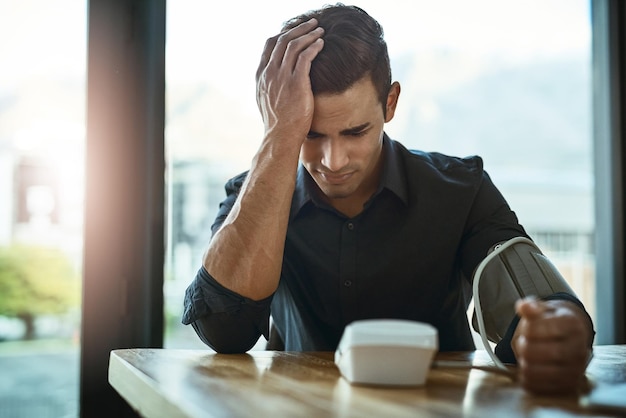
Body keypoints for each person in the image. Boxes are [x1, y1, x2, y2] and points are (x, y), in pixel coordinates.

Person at [182, 3, 594, 395]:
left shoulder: (461, 189)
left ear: (391, 103)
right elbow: (222, 329)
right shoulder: (250, 194)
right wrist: (280, 135)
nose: (333, 160)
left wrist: (559, 329)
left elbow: (537, 299)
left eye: (355, 132)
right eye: (311, 134)